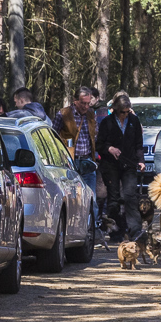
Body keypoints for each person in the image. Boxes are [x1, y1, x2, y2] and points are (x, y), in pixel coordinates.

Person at [96, 92, 145, 241]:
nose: (125, 114)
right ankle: (116, 231)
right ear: (116, 110)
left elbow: (138, 143)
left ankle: (135, 231)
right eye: (123, 112)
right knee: (114, 198)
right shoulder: (107, 122)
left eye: (128, 111)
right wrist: (109, 149)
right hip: (110, 165)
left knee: (130, 196)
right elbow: (99, 145)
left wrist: (141, 160)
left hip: (129, 164)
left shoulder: (134, 121)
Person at [55, 85, 101, 216]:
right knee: (72, 199)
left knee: (91, 198)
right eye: (82, 103)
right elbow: (54, 136)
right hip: (69, 163)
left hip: (87, 161)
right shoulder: (63, 114)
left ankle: (91, 225)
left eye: (88, 103)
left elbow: (95, 135)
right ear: (75, 101)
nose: (85, 107)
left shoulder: (91, 115)